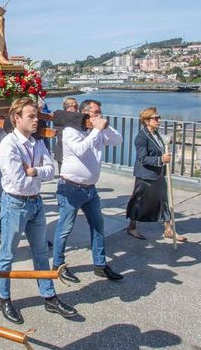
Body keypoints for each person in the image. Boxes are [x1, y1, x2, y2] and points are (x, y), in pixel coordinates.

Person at [0, 97, 77, 325]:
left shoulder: (37, 142)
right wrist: (37, 172)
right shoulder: (8, 145)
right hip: (15, 204)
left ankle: (49, 296)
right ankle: (4, 298)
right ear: (16, 118)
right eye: (31, 116)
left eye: (37, 116)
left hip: (36, 202)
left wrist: (33, 171)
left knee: (41, 252)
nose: (36, 120)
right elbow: (19, 183)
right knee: (7, 255)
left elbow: (51, 171)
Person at [52, 99, 124, 284]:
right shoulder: (71, 130)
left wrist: (104, 127)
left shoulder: (97, 131)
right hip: (70, 187)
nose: (99, 115)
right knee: (64, 229)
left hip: (90, 189)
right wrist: (97, 130)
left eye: (100, 112)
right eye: (96, 112)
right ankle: (57, 265)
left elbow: (118, 140)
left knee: (98, 226)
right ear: (85, 113)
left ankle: (100, 264)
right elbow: (80, 150)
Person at [125, 107, 186, 242]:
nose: (158, 120)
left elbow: (160, 149)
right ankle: (132, 227)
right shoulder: (141, 138)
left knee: (164, 200)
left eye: (159, 117)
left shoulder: (156, 134)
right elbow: (142, 158)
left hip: (158, 174)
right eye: (155, 118)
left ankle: (168, 229)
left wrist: (165, 155)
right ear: (147, 121)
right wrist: (160, 159)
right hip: (145, 175)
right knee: (138, 201)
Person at [53, 97, 79, 173]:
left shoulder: (79, 118)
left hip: (76, 154)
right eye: (70, 106)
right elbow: (59, 132)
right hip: (62, 153)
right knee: (63, 175)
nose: (73, 108)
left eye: (75, 106)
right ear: (65, 107)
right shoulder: (59, 117)